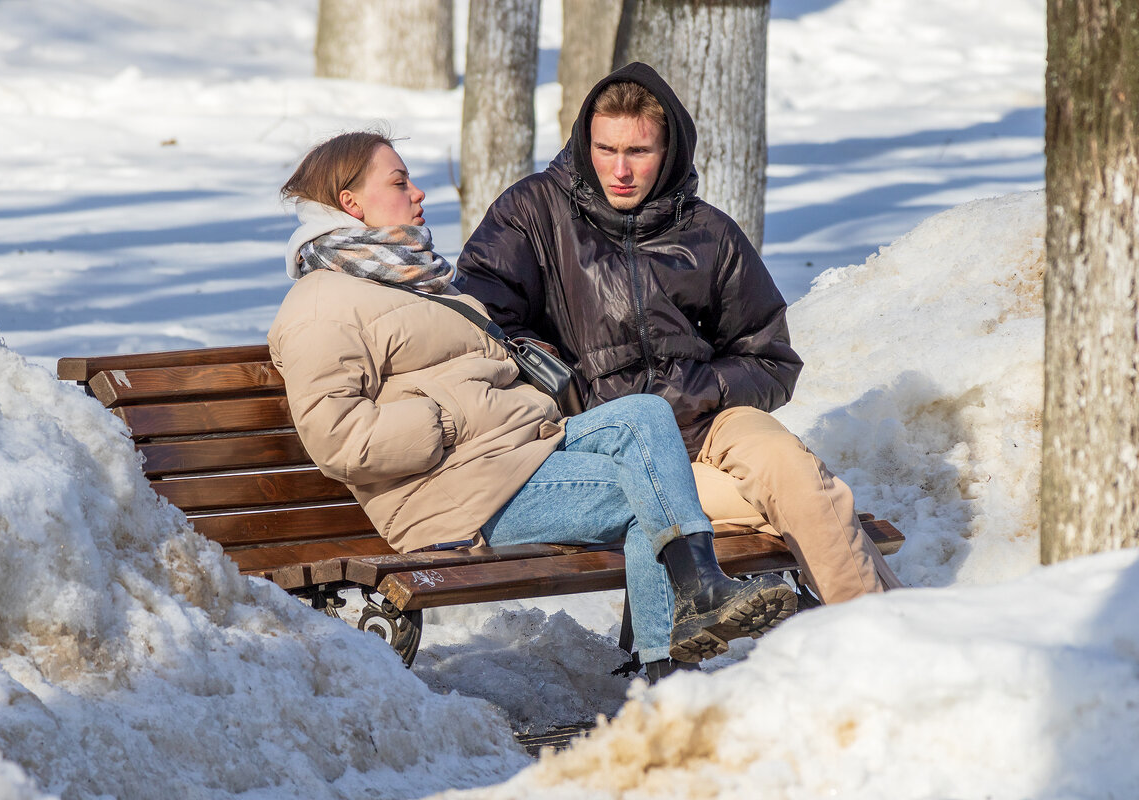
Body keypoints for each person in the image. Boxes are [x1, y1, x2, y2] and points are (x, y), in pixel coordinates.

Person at [267, 131, 798, 682]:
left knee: (643, 415)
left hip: (517, 452)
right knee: (652, 493)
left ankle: (693, 599)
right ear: (350, 202)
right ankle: (666, 668)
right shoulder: (320, 305)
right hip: (458, 492)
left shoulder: (414, 281)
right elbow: (339, 441)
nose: (419, 193)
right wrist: (446, 418)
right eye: (400, 182)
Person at [457, 63, 902, 618]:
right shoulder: (532, 213)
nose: (620, 170)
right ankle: (890, 634)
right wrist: (556, 382)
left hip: (707, 418)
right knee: (784, 504)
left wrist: (701, 388)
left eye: (638, 152)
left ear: (668, 152)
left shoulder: (709, 232)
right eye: (605, 149)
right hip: (611, 439)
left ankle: (880, 640)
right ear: (582, 143)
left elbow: (770, 357)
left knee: (796, 475)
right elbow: (478, 320)